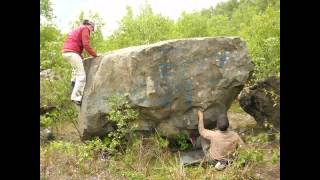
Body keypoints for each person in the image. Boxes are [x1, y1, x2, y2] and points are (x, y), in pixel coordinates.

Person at [61, 19, 98, 106]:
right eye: (92, 29)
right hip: (72, 52)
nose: (91, 31)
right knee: (81, 75)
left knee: (77, 67)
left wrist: (80, 56)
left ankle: (74, 81)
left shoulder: (78, 28)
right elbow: (86, 45)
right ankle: (76, 97)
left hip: (67, 52)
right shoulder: (85, 29)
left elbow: (75, 44)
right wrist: (95, 55)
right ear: (90, 26)